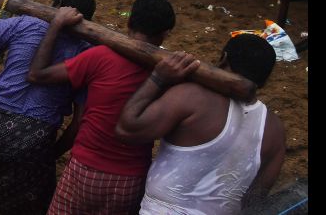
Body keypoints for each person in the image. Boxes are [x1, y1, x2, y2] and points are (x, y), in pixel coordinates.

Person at [27, 0, 176, 215]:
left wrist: (55, 24)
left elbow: (37, 74)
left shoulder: (99, 56)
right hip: (130, 180)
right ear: (164, 35)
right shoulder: (169, 75)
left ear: (128, 24)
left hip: (85, 169)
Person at [0, 0, 97, 215]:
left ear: (55, 7)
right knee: (36, 199)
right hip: (37, 133)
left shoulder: (26, 24)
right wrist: (51, 153)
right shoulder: (86, 54)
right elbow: (79, 122)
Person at [115, 34, 286, 214]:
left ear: (224, 59)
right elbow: (255, 202)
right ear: (265, 80)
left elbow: (126, 130)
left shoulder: (193, 97)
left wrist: (158, 77)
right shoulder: (275, 131)